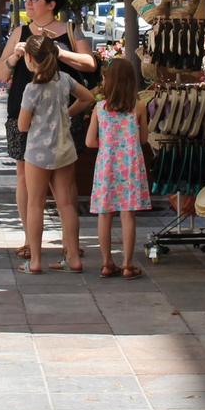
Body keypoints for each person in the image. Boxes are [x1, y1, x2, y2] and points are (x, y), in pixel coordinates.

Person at [0, 0, 97, 259]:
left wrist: (58, 53)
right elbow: (0, 74)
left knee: (66, 183)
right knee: (24, 179)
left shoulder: (70, 30)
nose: (28, 2)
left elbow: (90, 64)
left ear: (51, 4)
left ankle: (69, 245)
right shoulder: (19, 32)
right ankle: (30, 241)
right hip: (22, 113)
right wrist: (14, 58)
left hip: (62, 116)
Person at [16, 35, 93, 273]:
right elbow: (88, 98)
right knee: (67, 205)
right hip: (64, 150)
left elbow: (22, 126)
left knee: (35, 205)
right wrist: (66, 113)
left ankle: (36, 261)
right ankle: (73, 257)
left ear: (29, 58)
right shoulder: (65, 80)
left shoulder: (32, 89)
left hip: (38, 153)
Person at [86, 58, 151, 279]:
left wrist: (108, 145)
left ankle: (106, 263)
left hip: (107, 164)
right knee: (127, 215)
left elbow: (89, 142)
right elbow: (143, 140)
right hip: (130, 165)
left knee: (105, 215)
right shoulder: (138, 107)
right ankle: (127, 264)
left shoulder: (99, 108)